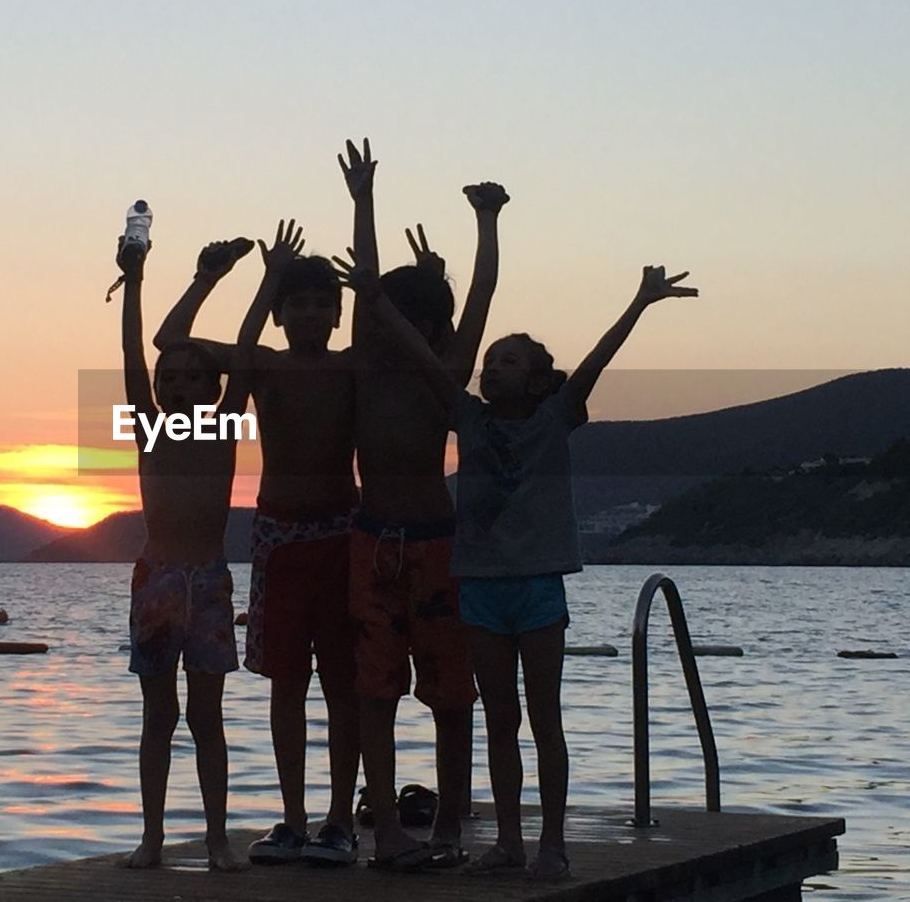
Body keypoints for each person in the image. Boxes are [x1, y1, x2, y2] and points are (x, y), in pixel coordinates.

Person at [332, 251, 698, 881]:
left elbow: (592, 365)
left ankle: (551, 842)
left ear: (534, 381)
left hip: (535, 588)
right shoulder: (467, 418)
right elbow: (422, 358)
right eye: (491, 358)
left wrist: (638, 304)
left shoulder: (555, 419)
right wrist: (375, 295)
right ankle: (506, 841)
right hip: (479, 589)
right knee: (499, 719)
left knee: (543, 717)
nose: (492, 367)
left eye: (508, 360)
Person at [154, 222, 361, 866]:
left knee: (343, 681)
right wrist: (227, 277)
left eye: (321, 303)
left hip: (341, 531)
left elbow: (414, 348)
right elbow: (169, 341)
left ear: (336, 312)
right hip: (278, 535)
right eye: (296, 303)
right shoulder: (263, 366)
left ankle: (339, 820)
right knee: (286, 683)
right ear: (277, 314)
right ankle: (294, 818)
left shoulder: (352, 366)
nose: (309, 313)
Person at [337, 137, 509, 871]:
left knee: (450, 692)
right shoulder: (365, 374)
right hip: (373, 539)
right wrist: (364, 201)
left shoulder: (445, 375)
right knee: (374, 690)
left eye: (419, 324)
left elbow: (480, 299)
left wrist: (487, 222)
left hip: (438, 542)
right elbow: (366, 291)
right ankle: (385, 828)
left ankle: (445, 825)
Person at [116, 235, 252, 873]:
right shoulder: (148, 425)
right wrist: (135, 281)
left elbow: (247, 355)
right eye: (169, 377)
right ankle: (152, 839)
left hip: (210, 580)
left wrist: (263, 281)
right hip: (157, 580)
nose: (175, 384)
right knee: (158, 716)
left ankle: (218, 837)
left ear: (215, 385)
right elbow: (130, 354)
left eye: (192, 375)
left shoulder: (224, 427)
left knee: (206, 716)